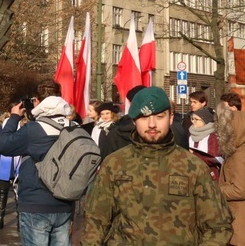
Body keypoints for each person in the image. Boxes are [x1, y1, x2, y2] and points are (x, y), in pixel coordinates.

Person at [83, 87, 233, 244]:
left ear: (170, 118)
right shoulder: (114, 164)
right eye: (144, 118)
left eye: (159, 117)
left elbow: (218, 226)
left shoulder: (193, 167)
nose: (152, 124)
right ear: (134, 120)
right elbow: (95, 221)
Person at [0, 93, 74, 245]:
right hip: (64, 203)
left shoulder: (34, 129)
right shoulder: (74, 129)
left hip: (36, 202)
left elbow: (3, 145)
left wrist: (14, 117)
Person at [217, 101, 245, 243]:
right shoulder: (238, 149)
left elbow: (240, 190)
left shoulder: (239, 155)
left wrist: (216, 189)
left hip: (239, 225)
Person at [188, 108, 221, 180]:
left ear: (205, 120)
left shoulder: (212, 137)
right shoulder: (191, 135)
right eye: (192, 119)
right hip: (193, 173)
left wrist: (194, 154)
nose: (193, 121)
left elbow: (215, 158)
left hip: (209, 174)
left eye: (196, 119)